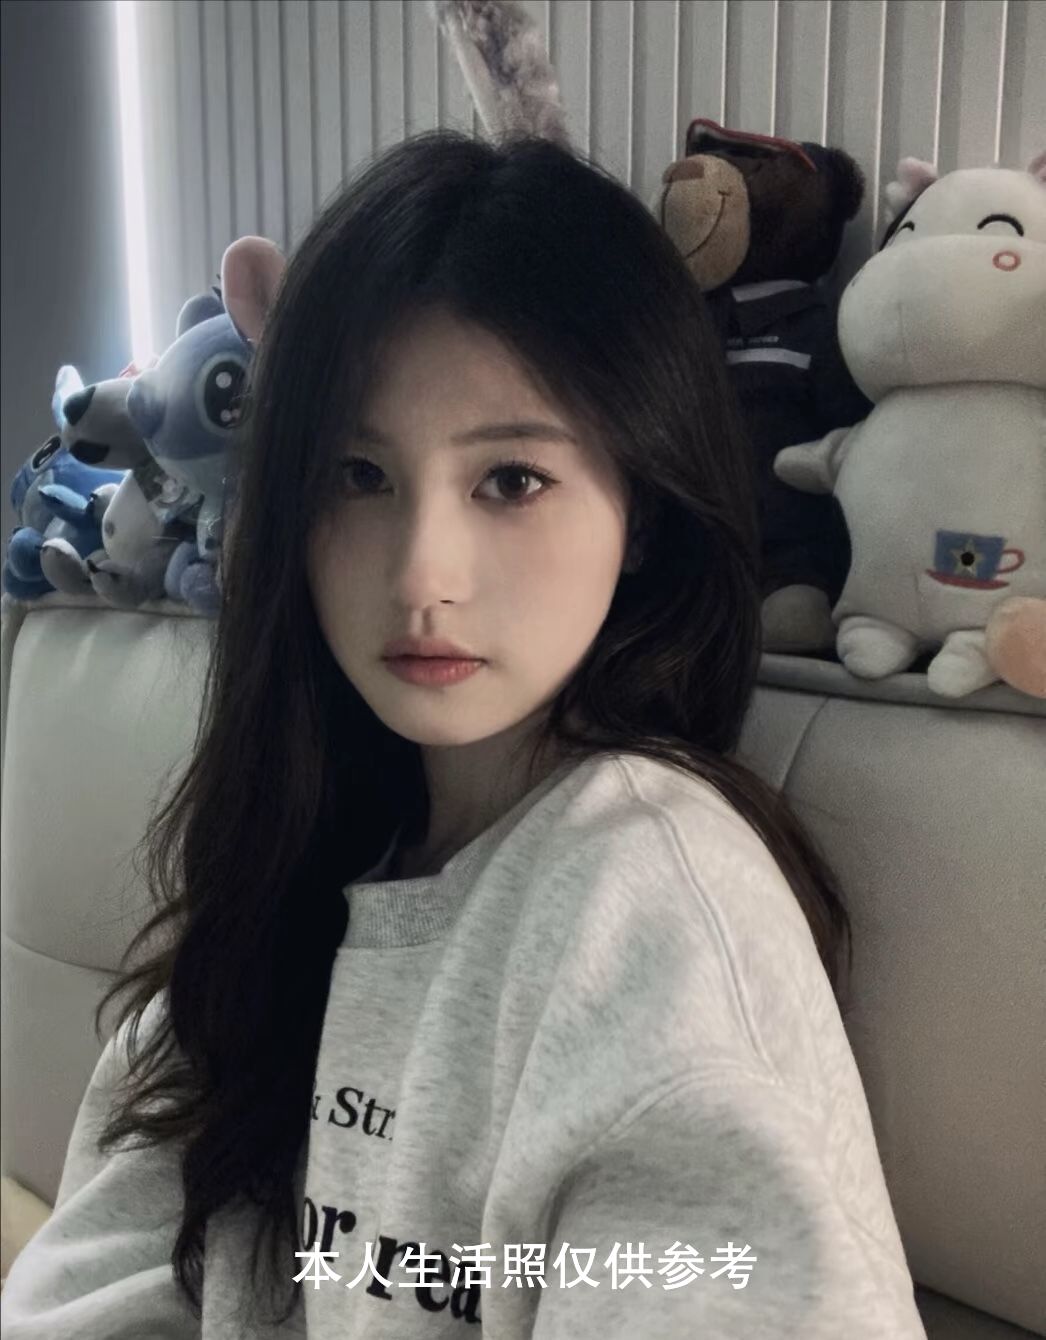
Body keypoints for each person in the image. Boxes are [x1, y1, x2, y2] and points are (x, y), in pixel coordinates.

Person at [1, 129, 927, 1338]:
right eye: (356, 475)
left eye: (510, 480)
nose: (420, 575)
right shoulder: (298, 851)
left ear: (641, 512)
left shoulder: (653, 904)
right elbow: (101, 1278)